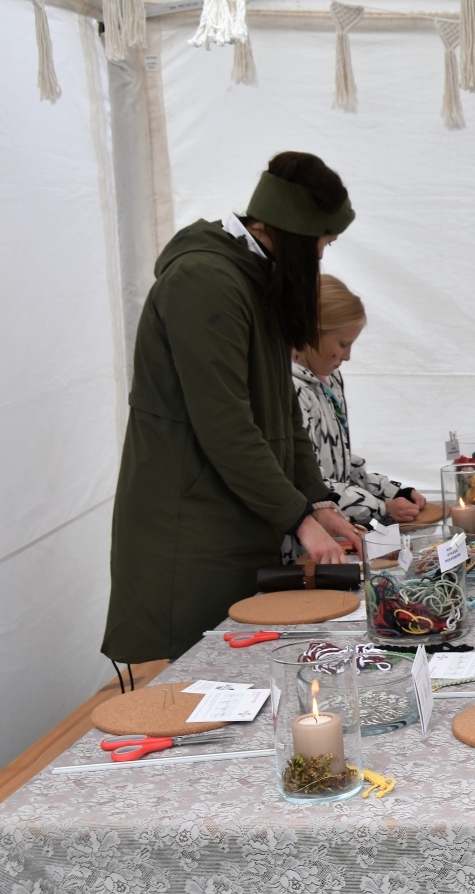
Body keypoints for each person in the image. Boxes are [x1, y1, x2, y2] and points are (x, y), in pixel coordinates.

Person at [103, 152, 363, 665]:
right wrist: (299, 519)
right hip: (193, 532)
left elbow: (282, 406)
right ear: (291, 232)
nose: (320, 259)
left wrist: (317, 501)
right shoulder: (205, 282)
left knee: (241, 679)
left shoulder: (250, 277)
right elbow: (225, 426)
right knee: (198, 687)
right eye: (322, 243)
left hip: (240, 521)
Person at [291, 274, 426, 527]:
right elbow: (310, 482)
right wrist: (380, 508)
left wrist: (391, 491)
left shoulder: (330, 380)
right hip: (304, 540)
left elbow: (339, 465)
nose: (348, 356)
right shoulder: (293, 392)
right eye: (343, 344)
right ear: (309, 331)